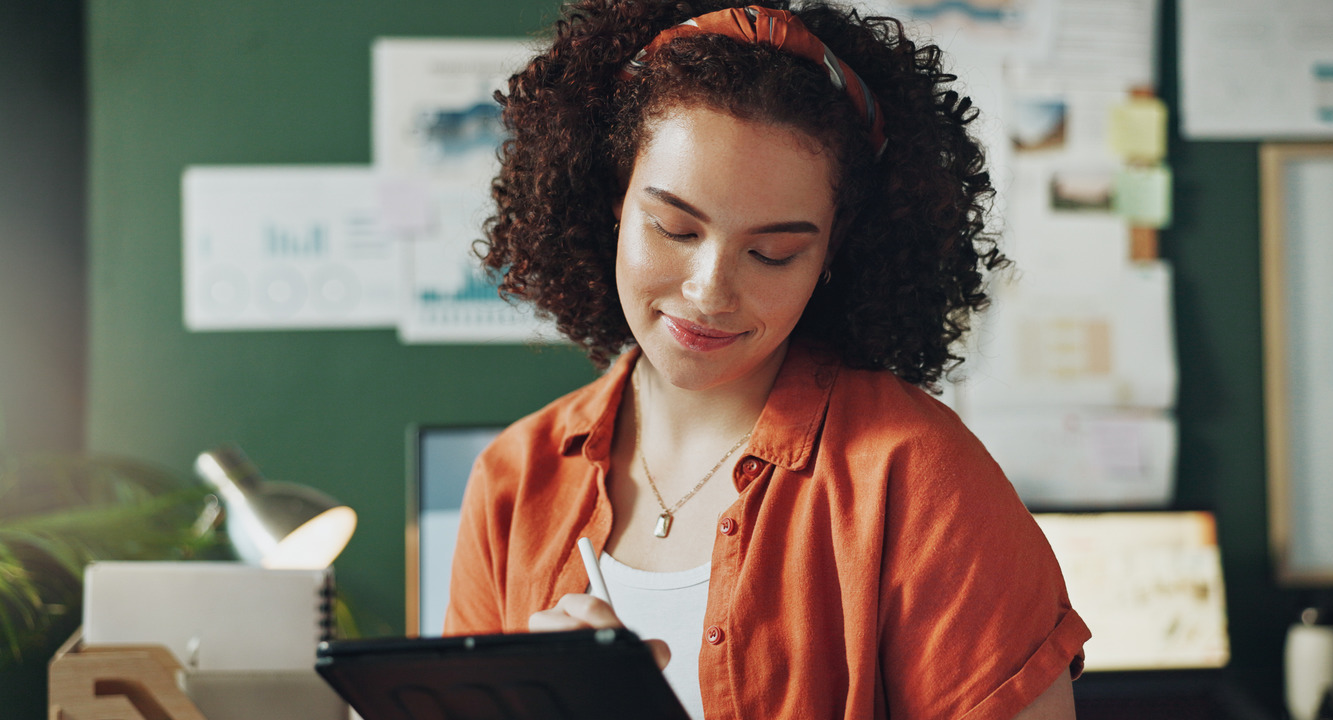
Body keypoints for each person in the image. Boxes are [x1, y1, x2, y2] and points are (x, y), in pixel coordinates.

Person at [444, 1, 1091, 718]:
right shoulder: (513, 482)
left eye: (772, 253)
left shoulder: (919, 481)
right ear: (613, 203)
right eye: (673, 227)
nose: (709, 290)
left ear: (831, 256)